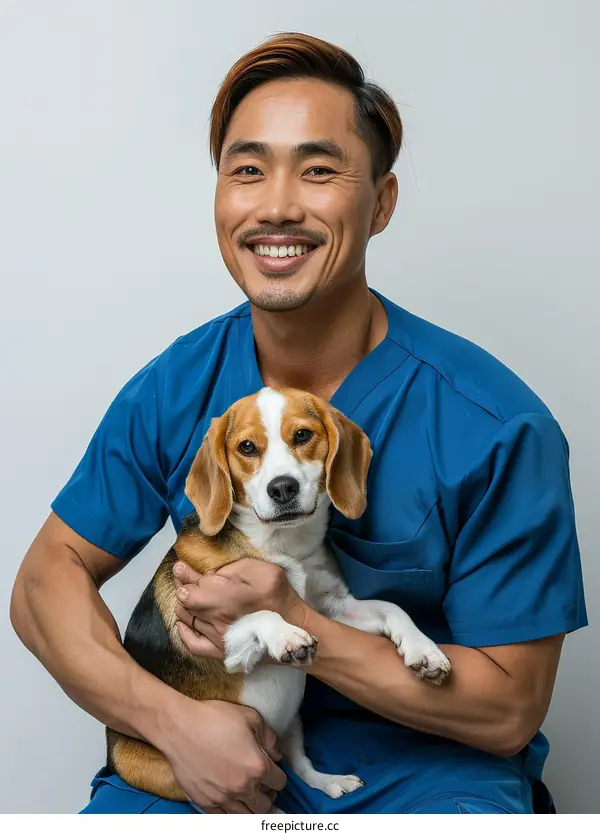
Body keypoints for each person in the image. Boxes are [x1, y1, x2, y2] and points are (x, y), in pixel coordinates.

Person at [10, 32, 586, 815]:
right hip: (203, 763)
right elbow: (45, 580)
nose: (277, 204)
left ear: (379, 201)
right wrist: (174, 724)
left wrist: (294, 616)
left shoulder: (495, 424)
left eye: (318, 170)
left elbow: (508, 708)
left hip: (431, 778)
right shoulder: (179, 388)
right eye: (247, 169)